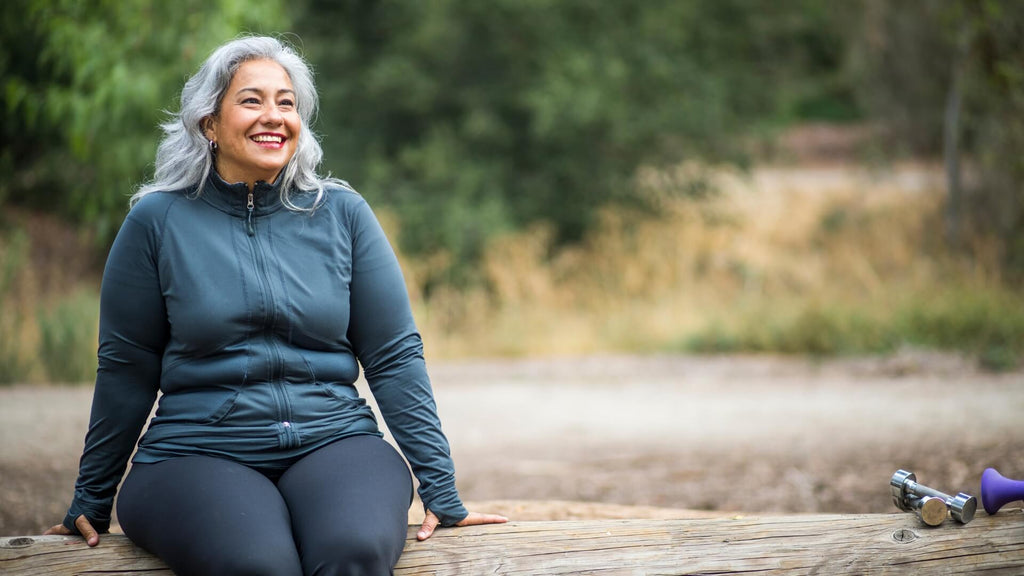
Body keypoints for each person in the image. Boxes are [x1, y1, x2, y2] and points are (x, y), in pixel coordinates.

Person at [45, 35, 506, 575]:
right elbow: (127, 368)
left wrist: (441, 487)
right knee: (258, 564)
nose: (274, 116)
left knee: (352, 551)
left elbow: (394, 356)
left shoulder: (342, 214)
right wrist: (91, 499)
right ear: (208, 124)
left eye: (286, 103)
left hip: (335, 440)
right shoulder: (156, 222)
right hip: (197, 452)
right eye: (251, 100)